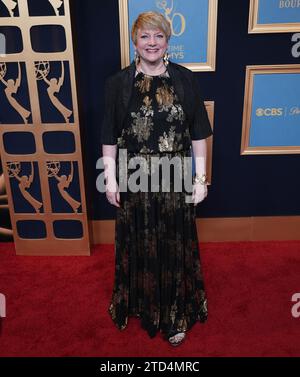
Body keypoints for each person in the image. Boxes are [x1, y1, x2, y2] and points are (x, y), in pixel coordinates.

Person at [101, 11, 213, 346]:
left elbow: (199, 133)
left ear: (168, 40)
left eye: (159, 36)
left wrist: (200, 178)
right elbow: (109, 135)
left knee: (173, 246)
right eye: (145, 37)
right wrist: (110, 179)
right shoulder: (118, 84)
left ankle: (175, 314)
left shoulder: (185, 79)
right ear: (134, 42)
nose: (152, 43)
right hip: (134, 179)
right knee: (138, 243)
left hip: (175, 180)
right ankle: (140, 303)